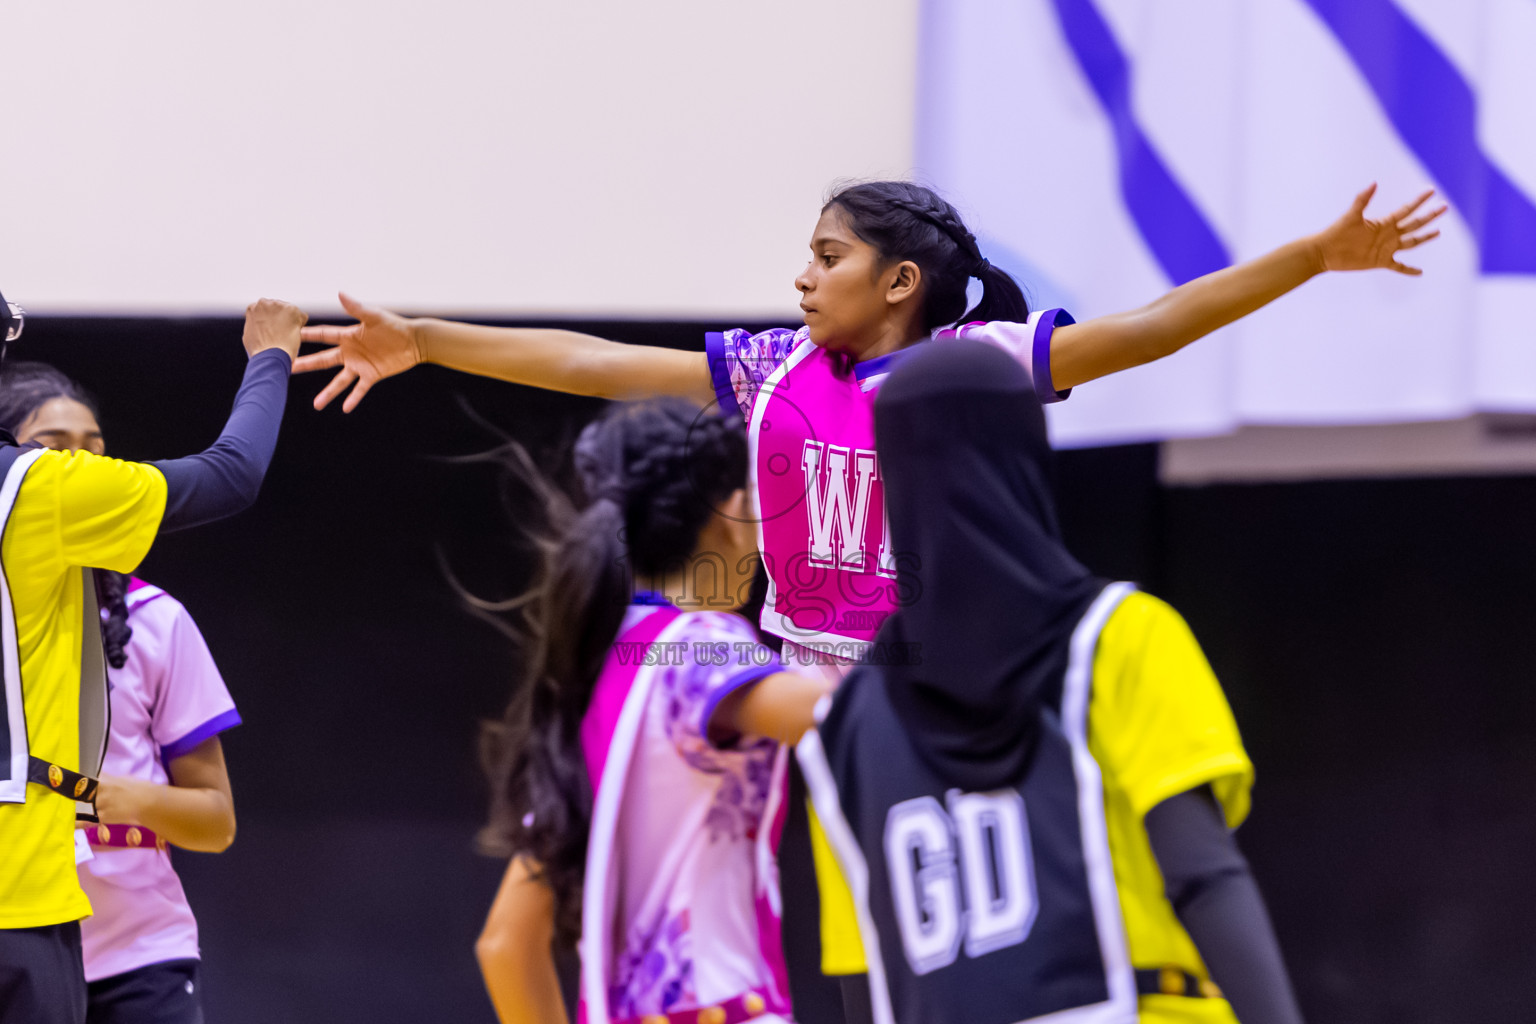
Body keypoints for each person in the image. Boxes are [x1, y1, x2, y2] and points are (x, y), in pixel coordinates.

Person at [293, 179, 1438, 1019]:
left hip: (922, 691)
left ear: (898, 282)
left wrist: (1311, 256)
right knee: (754, 901)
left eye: (826, 254)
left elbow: (1149, 330)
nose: (801, 274)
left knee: (928, 920)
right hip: (797, 683)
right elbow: (595, 363)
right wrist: (428, 342)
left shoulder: (973, 365)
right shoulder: (777, 370)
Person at [797, 339, 1301, 1024]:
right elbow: (1202, 875)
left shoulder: (843, 727)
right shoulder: (1117, 636)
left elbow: (866, 985)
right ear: (1026, 456)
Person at [471, 399, 831, 1024]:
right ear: (738, 513)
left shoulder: (600, 665)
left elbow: (505, 944)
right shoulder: (703, 646)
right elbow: (857, 715)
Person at [0, 296, 303, 1024]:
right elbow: (231, 474)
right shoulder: (30, 490)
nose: (78, 455)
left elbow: (214, 817)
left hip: (132, 944)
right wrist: (271, 358)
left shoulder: (154, 619)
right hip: (19, 899)